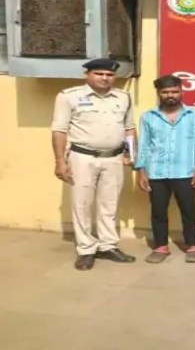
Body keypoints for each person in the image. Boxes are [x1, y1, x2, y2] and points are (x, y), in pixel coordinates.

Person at [50, 58, 137, 271]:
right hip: (83, 157)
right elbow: (59, 130)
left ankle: (108, 245)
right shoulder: (69, 96)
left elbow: (129, 128)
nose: (104, 78)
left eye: (109, 75)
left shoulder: (123, 97)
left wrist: (131, 154)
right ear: (87, 75)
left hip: (114, 158)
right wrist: (60, 161)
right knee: (82, 204)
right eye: (99, 74)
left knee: (110, 203)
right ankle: (86, 249)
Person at [134, 75, 195, 264]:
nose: (170, 95)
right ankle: (160, 246)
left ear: (181, 92)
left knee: (189, 211)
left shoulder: (194, 115)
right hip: (156, 171)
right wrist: (141, 170)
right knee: (158, 211)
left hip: (185, 171)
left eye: (174, 91)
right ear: (159, 93)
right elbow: (144, 144)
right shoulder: (148, 117)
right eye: (165, 92)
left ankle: (193, 246)